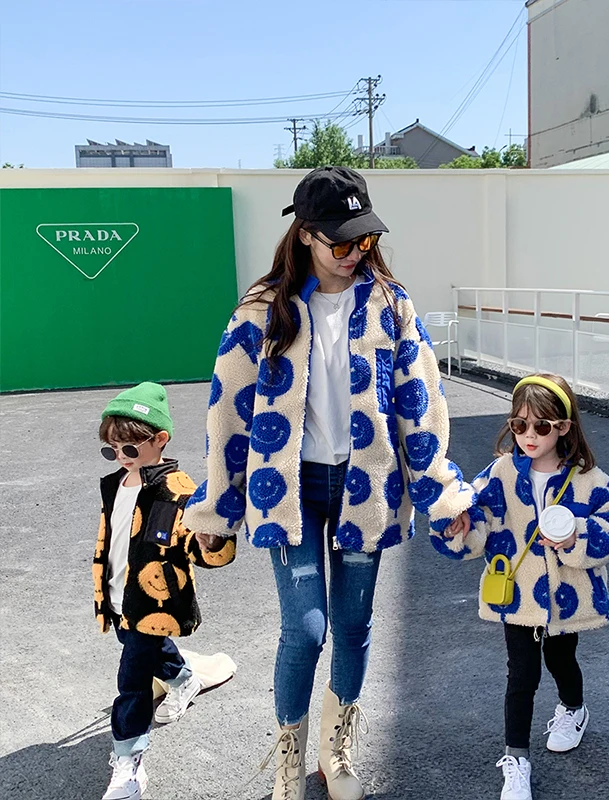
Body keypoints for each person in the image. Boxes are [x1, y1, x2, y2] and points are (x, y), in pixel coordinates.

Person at [182, 166, 474, 800]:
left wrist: (441, 491)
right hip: (288, 490)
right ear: (305, 234)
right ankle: (288, 757)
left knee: (353, 624)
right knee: (306, 629)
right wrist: (218, 508)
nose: (354, 251)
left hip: (367, 486)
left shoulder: (392, 305)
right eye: (340, 241)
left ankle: (333, 752)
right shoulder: (261, 311)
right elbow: (227, 414)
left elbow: (420, 405)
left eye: (364, 239)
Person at [438, 374, 609, 800]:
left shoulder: (586, 478)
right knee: (521, 675)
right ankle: (516, 760)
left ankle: (573, 708)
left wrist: (576, 536)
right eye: (519, 424)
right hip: (519, 596)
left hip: (567, 596)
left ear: (563, 427)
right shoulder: (502, 472)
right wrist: (460, 524)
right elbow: (477, 513)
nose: (529, 435)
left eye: (541, 426)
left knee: (561, 661)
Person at [94, 382, 236, 800]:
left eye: (129, 448)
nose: (121, 457)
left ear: (160, 439)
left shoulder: (178, 490)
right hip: (119, 597)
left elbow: (200, 547)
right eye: (112, 450)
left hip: (154, 603)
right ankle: (184, 678)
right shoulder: (116, 485)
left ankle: (129, 764)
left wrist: (213, 540)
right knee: (146, 651)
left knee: (132, 680)